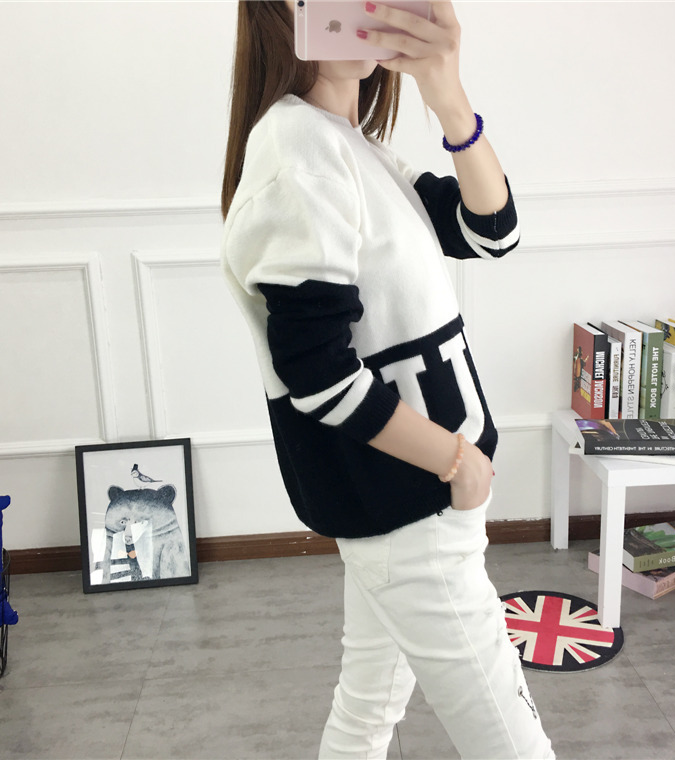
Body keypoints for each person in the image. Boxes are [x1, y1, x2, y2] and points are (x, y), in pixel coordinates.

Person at [220, 1, 555, 757]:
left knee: (368, 711)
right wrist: (457, 461)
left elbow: (490, 232)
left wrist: (447, 93)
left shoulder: (351, 146)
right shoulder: (299, 152)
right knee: (510, 742)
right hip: (409, 501)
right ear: (283, 14)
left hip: (407, 502)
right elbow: (317, 373)